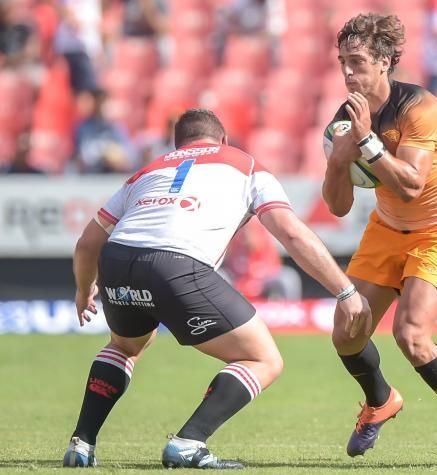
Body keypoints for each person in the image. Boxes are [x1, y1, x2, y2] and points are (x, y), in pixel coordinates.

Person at [63, 109, 371, 469]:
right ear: (223, 140)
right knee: (263, 359)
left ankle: (81, 444)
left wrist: (84, 290)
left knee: (125, 346)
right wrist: (345, 291)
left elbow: (87, 243)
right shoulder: (246, 165)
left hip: (117, 262)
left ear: (178, 145)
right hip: (175, 265)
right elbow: (290, 233)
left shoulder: (147, 171)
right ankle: (188, 442)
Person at [322, 13, 437, 466]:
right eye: (342, 62)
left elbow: (412, 185)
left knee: (411, 335)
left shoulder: (419, 106)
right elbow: (337, 207)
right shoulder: (346, 117)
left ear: (384, 62)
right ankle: (380, 400)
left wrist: (366, 142)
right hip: (385, 230)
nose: (347, 72)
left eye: (357, 62)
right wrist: (338, 161)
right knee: (346, 333)